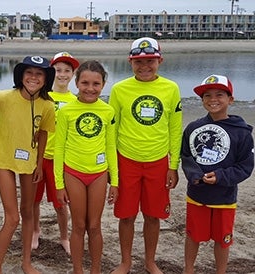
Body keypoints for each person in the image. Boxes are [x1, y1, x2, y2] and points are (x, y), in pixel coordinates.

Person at [109, 37, 183, 274]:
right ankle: (125, 261)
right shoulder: (119, 89)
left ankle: (150, 261)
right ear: (130, 62)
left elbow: (175, 129)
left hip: (158, 162)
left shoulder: (171, 88)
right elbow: (112, 130)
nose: (144, 66)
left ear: (159, 60)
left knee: (153, 216)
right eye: (138, 61)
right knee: (127, 216)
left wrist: (174, 165)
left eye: (150, 60)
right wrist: (113, 170)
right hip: (126, 161)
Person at [0, 56, 56, 274]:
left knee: (28, 212)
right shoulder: (3, 97)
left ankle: (26, 262)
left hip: (30, 163)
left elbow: (43, 133)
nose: (33, 77)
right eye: (29, 72)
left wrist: (39, 164)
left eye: (39, 74)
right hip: (5, 161)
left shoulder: (47, 105)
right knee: (12, 217)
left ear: (46, 79)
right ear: (21, 75)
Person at [181, 74, 254, 274]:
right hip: (197, 195)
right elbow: (186, 156)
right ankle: (188, 269)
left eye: (219, 95)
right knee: (193, 236)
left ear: (230, 99)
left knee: (223, 239)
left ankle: (220, 271)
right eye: (207, 95)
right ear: (202, 100)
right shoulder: (194, 128)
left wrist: (221, 177)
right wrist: (195, 174)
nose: (213, 99)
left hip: (225, 197)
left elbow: (245, 166)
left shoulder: (242, 133)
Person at [55, 60, 119, 274]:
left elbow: (111, 147)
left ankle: (95, 270)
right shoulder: (66, 111)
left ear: (103, 84)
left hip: (99, 175)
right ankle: (78, 270)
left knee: (94, 225)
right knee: (79, 225)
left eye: (96, 84)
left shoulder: (108, 111)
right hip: (73, 174)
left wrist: (115, 182)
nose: (90, 89)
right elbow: (59, 149)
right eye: (85, 83)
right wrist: (58, 184)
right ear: (76, 82)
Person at [32, 51, 80, 254]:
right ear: (51, 72)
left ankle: (64, 236)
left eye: (67, 71)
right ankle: (35, 230)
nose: (62, 74)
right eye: (58, 70)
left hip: (60, 160)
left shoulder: (75, 100)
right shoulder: (42, 96)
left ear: (72, 74)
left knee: (61, 203)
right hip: (38, 157)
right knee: (33, 200)